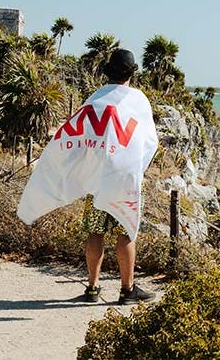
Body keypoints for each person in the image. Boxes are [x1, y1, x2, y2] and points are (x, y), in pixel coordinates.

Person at [80, 49, 156, 305]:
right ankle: (127, 289)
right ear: (131, 73)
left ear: (108, 70)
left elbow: (83, 136)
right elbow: (149, 142)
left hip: (97, 176)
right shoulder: (138, 99)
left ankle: (92, 288)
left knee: (95, 231)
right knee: (126, 231)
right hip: (125, 178)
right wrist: (137, 169)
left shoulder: (94, 98)